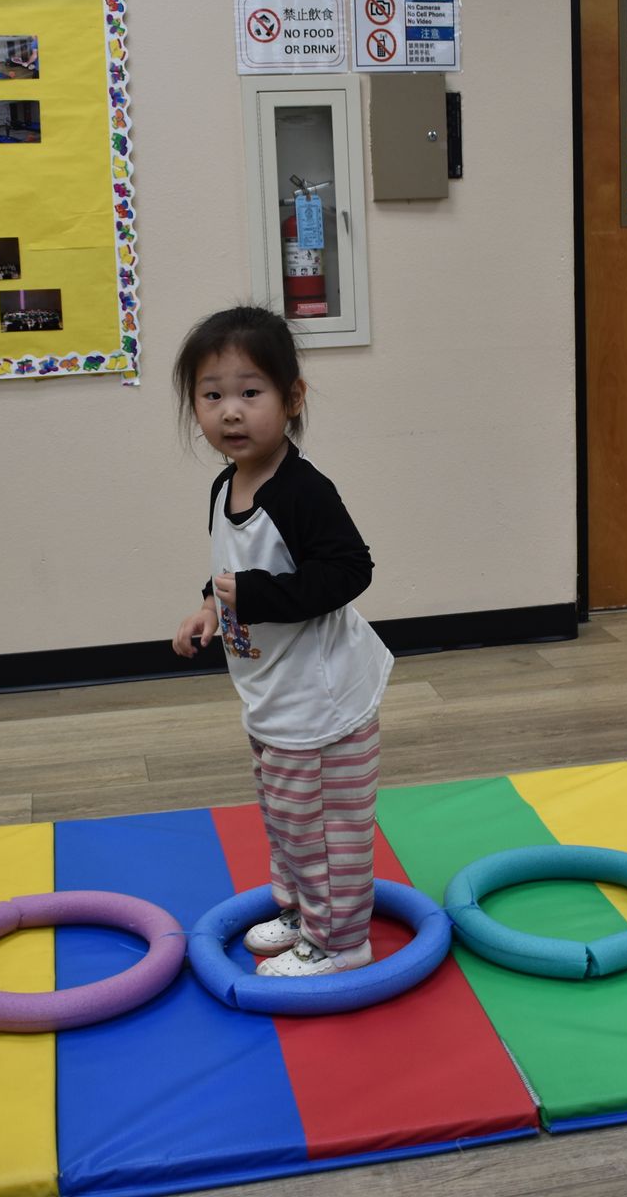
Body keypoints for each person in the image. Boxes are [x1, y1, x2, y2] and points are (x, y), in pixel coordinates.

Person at [170, 305, 393, 978]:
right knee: (286, 816)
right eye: (212, 396)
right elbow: (233, 569)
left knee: (326, 826)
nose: (230, 413)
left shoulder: (303, 492)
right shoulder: (225, 484)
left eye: (250, 392)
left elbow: (350, 570)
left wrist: (254, 594)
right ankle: (301, 912)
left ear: (292, 400)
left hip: (323, 702)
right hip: (272, 692)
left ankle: (340, 940)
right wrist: (208, 606)